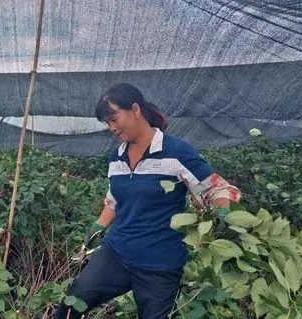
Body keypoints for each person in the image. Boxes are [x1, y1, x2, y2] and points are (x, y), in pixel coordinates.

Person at [56, 83, 241, 318]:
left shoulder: (176, 152)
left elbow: (216, 189)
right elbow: (114, 200)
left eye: (114, 119)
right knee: (71, 306)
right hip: (117, 253)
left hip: (160, 264)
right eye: (107, 123)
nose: (112, 128)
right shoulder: (117, 158)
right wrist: (96, 229)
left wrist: (223, 214)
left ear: (135, 109)